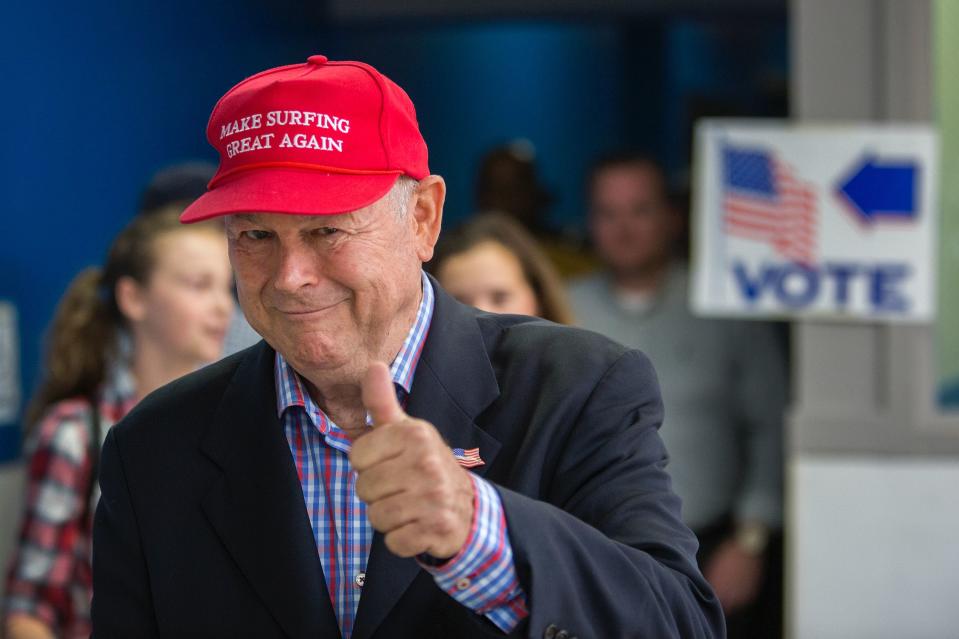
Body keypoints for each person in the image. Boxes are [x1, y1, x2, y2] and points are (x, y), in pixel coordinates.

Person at [91, 55, 724, 639]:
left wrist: (481, 532)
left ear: (422, 218)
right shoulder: (153, 447)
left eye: (326, 230)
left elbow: (680, 623)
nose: (290, 276)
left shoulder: (578, 387)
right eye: (256, 235)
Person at [568, 152, 787, 638]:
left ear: (672, 217)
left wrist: (750, 542)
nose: (624, 228)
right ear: (591, 222)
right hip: (593, 552)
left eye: (640, 210)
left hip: (714, 550)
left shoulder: (725, 305)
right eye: (608, 213)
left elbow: (770, 426)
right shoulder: (562, 309)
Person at [3, 209, 234, 639]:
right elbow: (29, 608)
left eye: (227, 287)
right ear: (134, 299)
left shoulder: (232, 427)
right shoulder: (75, 433)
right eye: (199, 285)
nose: (223, 306)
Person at [476, 142, 599, 279]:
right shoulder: (462, 255)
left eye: (516, 187)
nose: (506, 198)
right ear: (480, 196)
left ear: (535, 192)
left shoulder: (573, 252)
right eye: (495, 189)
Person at [429, 212, 575, 324]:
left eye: (500, 298)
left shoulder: (580, 362)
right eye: (458, 305)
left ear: (539, 298)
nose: (482, 316)